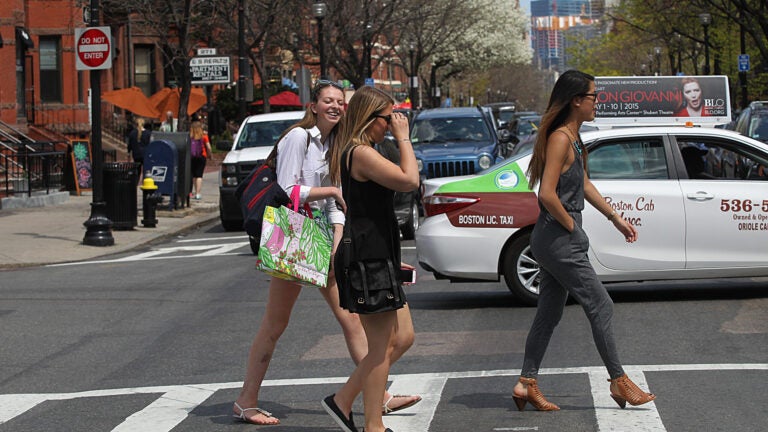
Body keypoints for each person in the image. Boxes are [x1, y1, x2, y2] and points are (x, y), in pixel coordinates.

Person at [232, 81, 420, 426]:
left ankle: (375, 395)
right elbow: (287, 189)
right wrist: (330, 190)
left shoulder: (341, 144)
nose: (335, 106)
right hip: (295, 235)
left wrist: (338, 243)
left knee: (352, 321)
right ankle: (246, 399)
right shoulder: (299, 138)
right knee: (276, 322)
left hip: (323, 237)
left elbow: (340, 207)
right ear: (313, 105)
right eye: (328, 101)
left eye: (340, 102)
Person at [514, 70, 656, 412]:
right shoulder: (561, 138)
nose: (597, 102)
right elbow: (547, 194)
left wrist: (615, 218)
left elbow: (586, 184)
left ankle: (525, 383)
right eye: (594, 97)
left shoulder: (572, 137)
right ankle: (619, 381)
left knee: (549, 313)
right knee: (601, 304)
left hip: (554, 236)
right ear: (577, 100)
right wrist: (572, 228)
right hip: (558, 234)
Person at [322, 86, 420, 432]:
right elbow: (410, 180)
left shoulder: (365, 150)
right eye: (387, 119)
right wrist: (404, 138)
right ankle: (373, 426)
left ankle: (344, 399)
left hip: (380, 257)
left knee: (403, 337)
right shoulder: (360, 152)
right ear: (369, 119)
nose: (391, 125)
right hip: (367, 260)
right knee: (379, 347)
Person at [189, 121, 212, 200]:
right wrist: (210, 155)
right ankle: (198, 193)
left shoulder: (190, 136)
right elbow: (208, 147)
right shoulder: (204, 136)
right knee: (199, 175)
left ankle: (192, 192)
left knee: (193, 175)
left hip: (192, 157)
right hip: (202, 156)